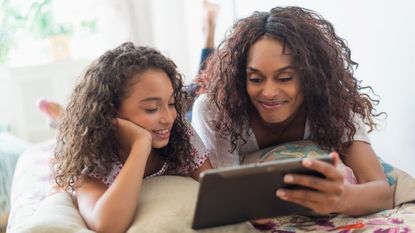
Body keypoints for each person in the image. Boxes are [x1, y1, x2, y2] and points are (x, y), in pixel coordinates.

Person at [192, 6, 393, 217]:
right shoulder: (217, 109)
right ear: (242, 79)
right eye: (256, 79)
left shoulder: (334, 104)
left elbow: (382, 193)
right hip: (203, 101)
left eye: (285, 78)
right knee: (197, 86)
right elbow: (230, 195)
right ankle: (208, 33)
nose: (269, 92)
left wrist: (342, 198)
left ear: (310, 76)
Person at [52, 42, 212, 233]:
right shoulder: (91, 158)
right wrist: (140, 145)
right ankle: (58, 117)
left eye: (170, 103)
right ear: (109, 111)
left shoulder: (180, 133)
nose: (169, 118)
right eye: (152, 108)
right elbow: (107, 225)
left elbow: (214, 190)